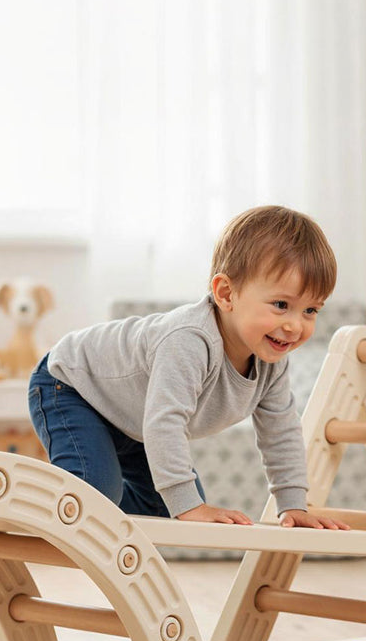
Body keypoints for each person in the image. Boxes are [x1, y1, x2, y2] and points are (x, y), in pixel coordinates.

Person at [28, 204, 348, 530]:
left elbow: (281, 432)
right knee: (96, 492)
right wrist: (190, 504)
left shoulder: (271, 362)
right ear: (226, 294)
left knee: (165, 510)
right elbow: (165, 422)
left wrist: (293, 504)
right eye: (281, 305)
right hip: (72, 385)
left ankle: (100, 512)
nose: (295, 326)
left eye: (310, 310)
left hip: (132, 419)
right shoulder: (190, 341)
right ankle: (25, 505)